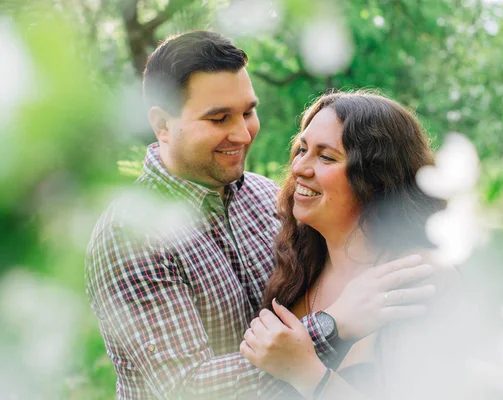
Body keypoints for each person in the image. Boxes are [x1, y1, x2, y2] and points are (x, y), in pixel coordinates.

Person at [85, 32, 441, 399]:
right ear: (162, 125)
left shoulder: (264, 195)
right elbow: (183, 388)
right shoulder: (131, 234)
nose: (242, 133)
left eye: (248, 112)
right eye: (219, 118)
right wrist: (331, 326)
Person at [241, 91, 463, 399]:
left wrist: (309, 374)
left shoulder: (421, 280)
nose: (299, 168)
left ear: (375, 179)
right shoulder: (296, 266)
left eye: (326, 157)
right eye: (302, 149)